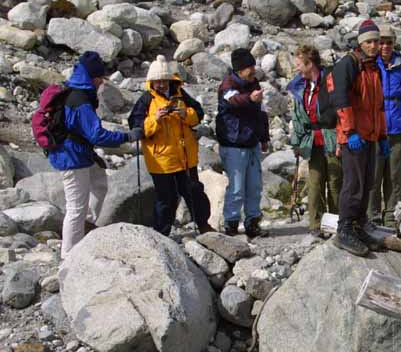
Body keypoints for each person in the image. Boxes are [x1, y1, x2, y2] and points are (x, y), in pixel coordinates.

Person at [47, 51, 143, 259]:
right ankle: (68, 255)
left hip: (79, 153)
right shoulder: (80, 100)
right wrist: (126, 137)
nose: (102, 82)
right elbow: (97, 135)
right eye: (100, 77)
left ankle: (87, 225)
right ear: (92, 77)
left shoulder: (74, 92)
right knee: (76, 207)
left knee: (99, 184)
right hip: (72, 158)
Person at [128, 55, 213, 236]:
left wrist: (185, 113)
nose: (160, 85)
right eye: (157, 81)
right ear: (151, 82)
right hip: (161, 160)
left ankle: (203, 225)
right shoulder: (146, 100)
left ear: (168, 79)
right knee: (166, 198)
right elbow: (136, 127)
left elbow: (198, 114)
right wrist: (155, 119)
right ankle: (161, 234)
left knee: (194, 191)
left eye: (163, 81)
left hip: (185, 156)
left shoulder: (181, 94)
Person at [330, 19, 390, 256]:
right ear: (361, 43)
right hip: (353, 136)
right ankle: (343, 230)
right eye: (369, 42)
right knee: (353, 184)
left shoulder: (374, 68)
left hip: (370, 135)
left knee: (367, 183)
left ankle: (358, 225)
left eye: (376, 41)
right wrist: (350, 131)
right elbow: (341, 100)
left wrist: (383, 135)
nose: (374, 46)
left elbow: (378, 107)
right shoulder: (349, 64)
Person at [367, 24, 401, 228]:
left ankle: (393, 217)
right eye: (381, 42)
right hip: (375, 129)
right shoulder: (370, 65)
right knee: (373, 176)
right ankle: (371, 217)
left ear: (394, 43)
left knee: (396, 176)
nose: (385, 46)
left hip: (398, 127)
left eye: (388, 42)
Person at [288, 45, 342, 237]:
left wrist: (342, 139)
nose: (297, 68)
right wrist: (296, 143)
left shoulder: (330, 82)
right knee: (315, 183)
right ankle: (316, 224)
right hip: (312, 141)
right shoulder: (300, 87)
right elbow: (297, 117)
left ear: (309, 64)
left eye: (299, 64)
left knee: (335, 182)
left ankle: (337, 224)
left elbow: (340, 111)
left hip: (331, 138)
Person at [216, 48, 270, 237]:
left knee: (254, 187)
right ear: (239, 70)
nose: (253, 70)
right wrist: (250, 98)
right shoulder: (227, 85)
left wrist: (264, 137)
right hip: (234, 145)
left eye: (253, 66)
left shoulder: (254, 83)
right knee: (237, 188)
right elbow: (233, 100)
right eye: (249, 67)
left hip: (252, 143)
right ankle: (231, 224)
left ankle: (252, 223)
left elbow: (261, 112)